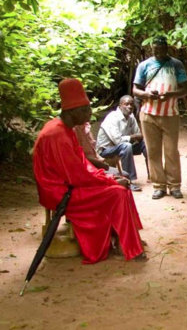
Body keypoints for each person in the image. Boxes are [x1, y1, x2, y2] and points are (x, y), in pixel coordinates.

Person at [33, 78, 146, 264]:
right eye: (85, 109)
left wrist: (106, 176)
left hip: (69, 183)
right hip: (60, 191)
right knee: (117, 192)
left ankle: (123, 238)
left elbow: (80, 164)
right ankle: (129, 247)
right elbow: (76, 176)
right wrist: (108, 181)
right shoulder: (57, 134)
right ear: (72, 111)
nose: (89, 113)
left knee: (121, 184)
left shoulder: (66, 128)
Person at [132, 36, 187, 200]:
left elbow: (185, 89)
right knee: (153, 151)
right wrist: (147, 94)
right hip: (149, 114)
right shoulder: (144, 65)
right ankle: (159, 186)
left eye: (161, 49)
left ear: (167, 48)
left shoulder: (176, 64)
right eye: (156, 49)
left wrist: (170, 94)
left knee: (171, 151)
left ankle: (174, 185)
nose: (159, 51)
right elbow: (136, 89)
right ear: (152, 48)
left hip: (170, 113)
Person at [96, 95, 147, 191]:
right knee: (126, 146)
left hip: (120, 146)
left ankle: (152, 174)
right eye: (126, 104)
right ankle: (129, 180)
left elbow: (138, 134)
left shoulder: (131, 117)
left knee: (145, 143)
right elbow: (117, 141)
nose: (129, 107)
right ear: (120, 106)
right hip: (106, 150)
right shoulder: (112, 117)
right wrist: (132, 137)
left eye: (131, 104)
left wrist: (135, 137)